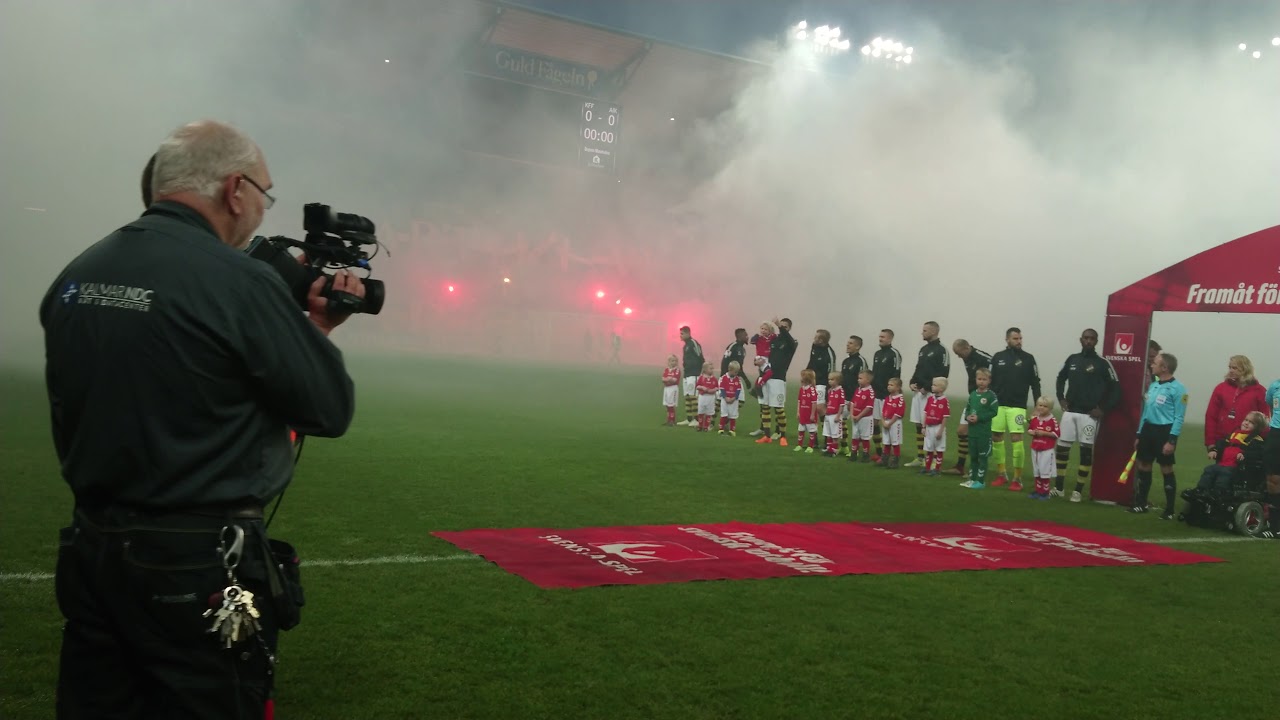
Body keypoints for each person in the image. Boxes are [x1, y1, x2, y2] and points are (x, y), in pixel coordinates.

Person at [42, 120, 359, 719]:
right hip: (195, 562)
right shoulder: (240, 281)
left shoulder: (80, 270)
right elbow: (328, 408)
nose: (262, 213)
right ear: (234, 190)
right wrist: (317, 330)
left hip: (91, 549)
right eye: (265, 196)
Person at [1053, 328, 1120, 502]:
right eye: (1086, 338)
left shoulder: (1103, 363)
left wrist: (1103, 408)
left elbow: (1116, 388)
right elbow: (1060, 377)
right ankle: (1059, 487)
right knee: (1062, 449)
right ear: (1080, 340)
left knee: (1085, 452)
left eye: (1092, 338)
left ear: (1096, 341)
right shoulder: (1072, 359)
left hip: (1089, 416)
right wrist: (1061, 398)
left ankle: (1077, 491)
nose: (1088, 341)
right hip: (1070, 412)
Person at [1129, 352, 1188, 518]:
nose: (1152, 365)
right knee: (1143, 465)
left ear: (1164, 367)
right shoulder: (1154, 385)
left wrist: (1172, 440)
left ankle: (1169, 510)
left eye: (1155, 363)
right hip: (1148, 429)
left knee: (1166, 468)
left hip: (1164, 431)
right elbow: (1146, 411)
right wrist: (1139, 434)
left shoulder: (1179, 389)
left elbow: (1179, 417)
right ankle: (1141, 504)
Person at [989, 327, 1041, 492]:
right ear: (1007, 340)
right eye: (1015, 339)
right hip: (998, 406)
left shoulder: (1028, 359)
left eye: (1020, 338)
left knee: (1016, 439)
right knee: (997, 437)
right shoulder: (997, 358)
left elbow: (1035, 383)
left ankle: (1017, 478)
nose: (1019, 341)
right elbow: (990, 382)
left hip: (1017, 406)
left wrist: (1038, 407)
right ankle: (1001, 474)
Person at [1190, 411, 1266, 495]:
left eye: (1251, 423)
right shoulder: (1234, 434)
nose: (1247, 423)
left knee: (1225, 473)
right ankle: (1201, 489)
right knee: (1209, 470)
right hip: (1223, 463)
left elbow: (1256, 453)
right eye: (1246, 420)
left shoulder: (1256, 439)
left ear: (1257, 427)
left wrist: (1244, 455)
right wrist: (1214, 451)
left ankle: (1219, 491)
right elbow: (1222, 444)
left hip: (1237, 467)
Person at [907, 322, 950, 468]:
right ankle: (920, 457)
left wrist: (928, 387)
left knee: (933, 425)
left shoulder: (942, 350)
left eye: (925, 330)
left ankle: (934, 458)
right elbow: (918, 368)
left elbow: (943, 374)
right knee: (919, 424)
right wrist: (912, 382)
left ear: (934, 331)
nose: (922, 333)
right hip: (919, 393)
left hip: (932, 394)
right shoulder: (923, 349)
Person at [946, 339, 992, 476]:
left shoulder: (982, 358)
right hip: (972, 399)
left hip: (984, 401)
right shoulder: (967, 358)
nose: (958, 356)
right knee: (961, 431)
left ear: (966, 348)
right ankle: (959, 467)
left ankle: (978, 469)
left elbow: (997, 373)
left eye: (959, 353)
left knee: (979, 436)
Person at [1204, 355, 1269, 449]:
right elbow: (1211, 416)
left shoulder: (1259, 391)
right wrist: (1210, 443)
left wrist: (1262, 441)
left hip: (1248, 443)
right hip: (1223, 441)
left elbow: (1265, 419)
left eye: (1234, 368)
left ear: (1245, 369)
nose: (1231, 370)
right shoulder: (1221, 388)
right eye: (1229, 367)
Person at [757, 316, 798, 445]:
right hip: (767, 376)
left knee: (779, 408)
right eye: (781, 326)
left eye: (785, 327)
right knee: (765, 408)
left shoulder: (791, 342)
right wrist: (758, 362)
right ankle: (767, 435)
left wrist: (779, 325)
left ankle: (783, 437)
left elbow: (791, 342)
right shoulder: (774, 339)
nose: (782, 328)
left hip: (779, 379)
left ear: (789, 328)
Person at [961, 368, 999, 489]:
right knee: (973, 457)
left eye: (984, 379)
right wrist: (968, 417)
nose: (981, 382)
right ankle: (972, 479)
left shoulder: (991, 396)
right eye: (979, 379)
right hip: (972, 432)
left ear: (989, 381)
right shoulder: (972, 394)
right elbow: (967, 408)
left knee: (982, 457)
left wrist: (979, 418)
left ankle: (981, 482)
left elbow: (994, 412)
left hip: (983, 432)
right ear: (976, 380)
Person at [870, 329, 903, 461]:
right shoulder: (877, 354)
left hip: (886, 395)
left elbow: (896, 374)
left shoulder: (894, 354)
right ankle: (879, 452)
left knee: (887, 424)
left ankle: (887, 453)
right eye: (880, 336)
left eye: (883, 337)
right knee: (875, 422)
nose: (880, 339)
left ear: (890, 339)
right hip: (876, 394)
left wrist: (893, 392)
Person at [1028, 397, 1062, 500]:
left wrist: (1044, 433)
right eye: (1040, 405)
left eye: (1045, 406)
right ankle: (1038, 490)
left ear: (1050, 408)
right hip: (1035, 448)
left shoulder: (1052, 420)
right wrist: (1032, 432)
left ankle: (1045, 492)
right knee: (1037, 471)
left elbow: (1057, 433)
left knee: (1045, 471)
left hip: (1046, 450)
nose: (1042, 408)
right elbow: (1029, 429)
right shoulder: (1035, 419)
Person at [839, 336, 867, 458]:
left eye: (850, 343)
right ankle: (844, 447)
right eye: (847, 343)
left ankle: (858, 449)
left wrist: (855, 399)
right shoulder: (846, 362)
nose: (847, 345)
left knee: (858, 425)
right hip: (844, 397)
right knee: (842, 422)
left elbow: (863, 381)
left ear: (857, 346)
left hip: (855, 399)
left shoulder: (860, 361)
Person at [920, 377, 950, 475]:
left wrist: (941, 431)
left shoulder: (945, 401)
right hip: (929, 427)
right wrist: (923, 427)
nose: (932, 386)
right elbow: (925, 413)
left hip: (938, 427)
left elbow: (945, 417)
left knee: (939, 449)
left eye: (935, 385)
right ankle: (927, 467)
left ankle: (937, 469)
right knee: (929, 448)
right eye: (933, 384)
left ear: (941, 388)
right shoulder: (930, 399)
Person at [718, 328, 749, 417]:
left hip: (736, 378)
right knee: (720, 400)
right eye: (745, 335)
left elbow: (740, 367)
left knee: (740, 400)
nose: (747, 337)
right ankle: (711, 423)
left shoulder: (742, 349)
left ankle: (727, 419)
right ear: (739, 336)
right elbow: (724, 362)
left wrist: (745, 379)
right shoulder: (732, 346)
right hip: (726, 377)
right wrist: (724, 377)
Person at [806, 328, 839, 407]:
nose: (814, 339)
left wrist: (830, 388)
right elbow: (812, 361)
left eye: (816, 337)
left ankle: (824, 419)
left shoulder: (829, 354)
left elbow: (831, 372)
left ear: (821, 340)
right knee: (809, 407)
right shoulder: (814, 346)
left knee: (820, 407)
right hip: (811, 382)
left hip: (822, 384)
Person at [679, 326, 704, 427]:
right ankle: (689, 419)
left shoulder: (693, 343)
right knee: (688, 397)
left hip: (694, 374)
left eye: (682, 334)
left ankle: (697, 419)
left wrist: (699, 371)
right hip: (687, 373)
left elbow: (700, 357)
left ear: (688, 333)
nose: (680, 336)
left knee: (694, 397)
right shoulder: (685, 346)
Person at [849, 370, 876, 463]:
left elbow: (869, 407)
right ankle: (853, 454)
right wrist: (852, 414)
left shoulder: (870, 392)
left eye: (861, 378)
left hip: (865, 418)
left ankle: (865, 455)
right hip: (855, 417)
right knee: (855, 436)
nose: (858, 380)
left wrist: (859, 416)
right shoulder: (858, 389)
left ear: (868, 380)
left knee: (865, 437)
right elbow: (852, 402)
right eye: (858, 378)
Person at [879, 378, 906, 468]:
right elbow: (883, 411)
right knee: (886, 442)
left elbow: (898, 413)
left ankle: (895, 461)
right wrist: (883, 421)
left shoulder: (900, 399)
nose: (889, 387)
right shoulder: (887, 398)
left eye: (891, 385)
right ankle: (884, 459)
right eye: (888, 385)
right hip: (886, 422)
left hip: (894, 423)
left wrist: (889, 423)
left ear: (898, 387)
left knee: (895, 442)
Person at [821, 372, 847, 456]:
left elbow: (841, 405)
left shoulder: (840, 391)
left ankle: (834, 450)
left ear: (838, 381)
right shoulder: (830, 391)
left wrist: (838, 416)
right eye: (829, 379)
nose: (830, 381)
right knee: (828, 433)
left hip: (835, 415)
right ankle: (829, 449)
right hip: (828, 415)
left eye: (832, 379)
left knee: (835, 435)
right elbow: (828, 402)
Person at [794, 369, 819, 453]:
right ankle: (799, 445)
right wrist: (798, 412)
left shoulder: (812, 390)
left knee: (812, 431)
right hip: (803, 414)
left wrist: (812, 414)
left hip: (809, 414)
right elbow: (799, 401)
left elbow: (814, 403)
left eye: (802, 376)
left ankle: (810, 446)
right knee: (801, 430)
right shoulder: (801, 389)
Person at [718, 361, 744, 436]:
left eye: (737, 372)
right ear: (729, 369)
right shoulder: (724, 378)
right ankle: (721, 429)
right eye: (735, 372)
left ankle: (732, 430)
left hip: (734, 400)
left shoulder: (737, 379)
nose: (736, 374)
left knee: (733, 415)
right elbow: (722, 388)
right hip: (725, 399)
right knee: (724, 414)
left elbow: (738, 390)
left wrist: (734, 398)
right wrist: (725, 397)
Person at [695, 361, 719, 432]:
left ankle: (706, 426)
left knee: (709, 412)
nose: (712, 370)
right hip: (703, 397)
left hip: (711, 398)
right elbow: (697, 386)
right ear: (705, 369)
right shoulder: (701, 378)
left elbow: (717, 387)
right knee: (701, 411)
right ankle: (700, 425)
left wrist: (713, 390)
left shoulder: (714, 379)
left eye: (712, 368)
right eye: (710, 368)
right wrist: (702, 388)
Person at [661, 354, 680, 426]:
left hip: (673, 388)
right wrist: (669, 379)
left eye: (675, 361)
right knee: (667, 404)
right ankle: (668, 420)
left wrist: (668, 379)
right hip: (666, 388)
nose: (674, 362)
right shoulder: (666, 369)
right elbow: (663, 379)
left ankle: (672, 420)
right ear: (668, 362)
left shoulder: (677, 370)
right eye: (672, 361)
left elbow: (674, 380)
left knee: (671, 404)